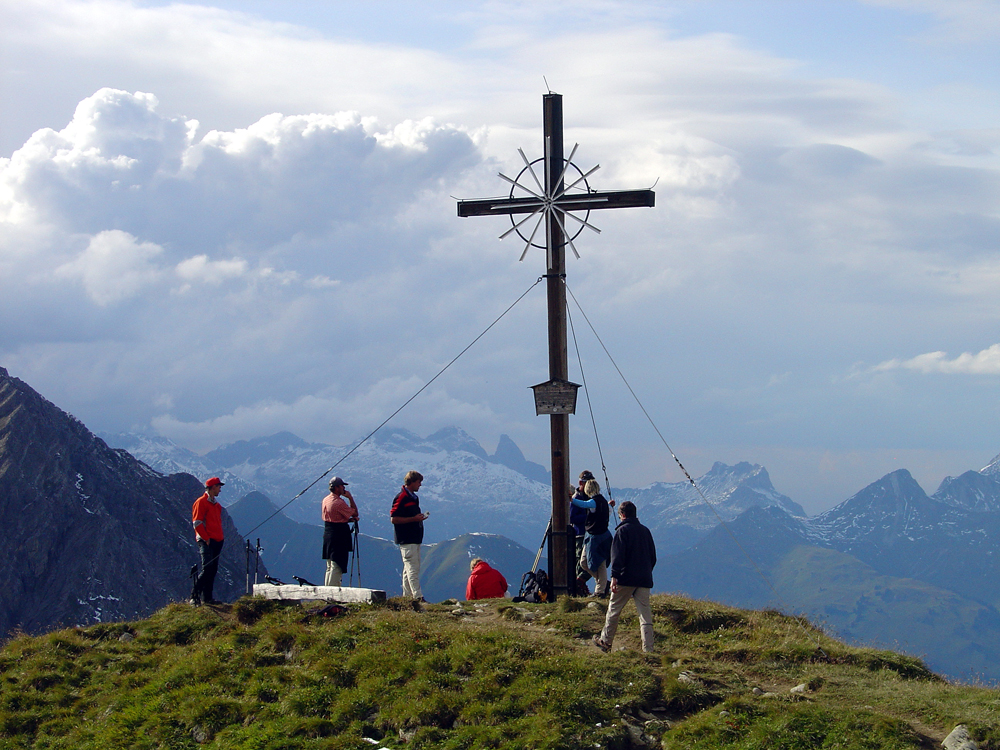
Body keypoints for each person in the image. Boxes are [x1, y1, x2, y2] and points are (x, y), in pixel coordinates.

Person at [593, 501, 657, 653]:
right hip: (644, 579)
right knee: (645, 614)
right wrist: (646, 571)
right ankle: (648, 648)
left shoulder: (622, 532)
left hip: (625, 579)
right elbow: (653, 557)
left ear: (622, 515)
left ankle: (606, 642)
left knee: (614, 609)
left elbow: (617, 557)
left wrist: (614, 577)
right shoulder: (645, 531)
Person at [391, 470, 428, 601]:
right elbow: (394, 518)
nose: (420, 485)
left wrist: (417, 518)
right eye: (419, 482)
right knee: (413, 568)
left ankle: (406, 597)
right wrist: (413, 519)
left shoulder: (413, 498)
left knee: (409, 569)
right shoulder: (401, 497)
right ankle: (418, 596)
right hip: (407, 538)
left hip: (414, 538)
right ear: (412, 482)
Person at [576, 478, 613, 597]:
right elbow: (608, 511)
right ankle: (602, 584)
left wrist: (571, 499)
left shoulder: (594, 502)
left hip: (595, 538)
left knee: (598, 563)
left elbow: (583, 504)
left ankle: (600, 590)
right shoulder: (603, 502)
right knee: (585, 563)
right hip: (601, 536)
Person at [191, 477, 225, 605]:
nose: (220, 490)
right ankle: (194, 596)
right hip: (207, 541)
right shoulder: (201, 502)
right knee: (207, 568)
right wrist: (206, 538)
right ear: (212, 487)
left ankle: (207, 598)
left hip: (217, 540)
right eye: (218, 487)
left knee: (213, 569)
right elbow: (197, 523)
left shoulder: (217, 505)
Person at [321, 476, 359, 586]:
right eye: (342, 486)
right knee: (337, 565)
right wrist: (350, 498)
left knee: (329, 566)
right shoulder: (338, 502)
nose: (344, 488)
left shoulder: (326, 499)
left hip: (328, 533)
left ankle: (326, 591)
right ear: (337, 487)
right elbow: (355, 513)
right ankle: (333, 593)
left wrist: (347, 519)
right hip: (339, 536)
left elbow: (335, 516)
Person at [570, 470, 595, 594]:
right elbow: (571, 517)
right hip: (580, 534)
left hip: (589, 533)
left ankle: (579, 583)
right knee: (580, 561)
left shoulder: (590, 498)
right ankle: (578, 585)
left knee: (588, 561)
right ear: (581, 483)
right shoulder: (576, 498)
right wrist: (587, 517)